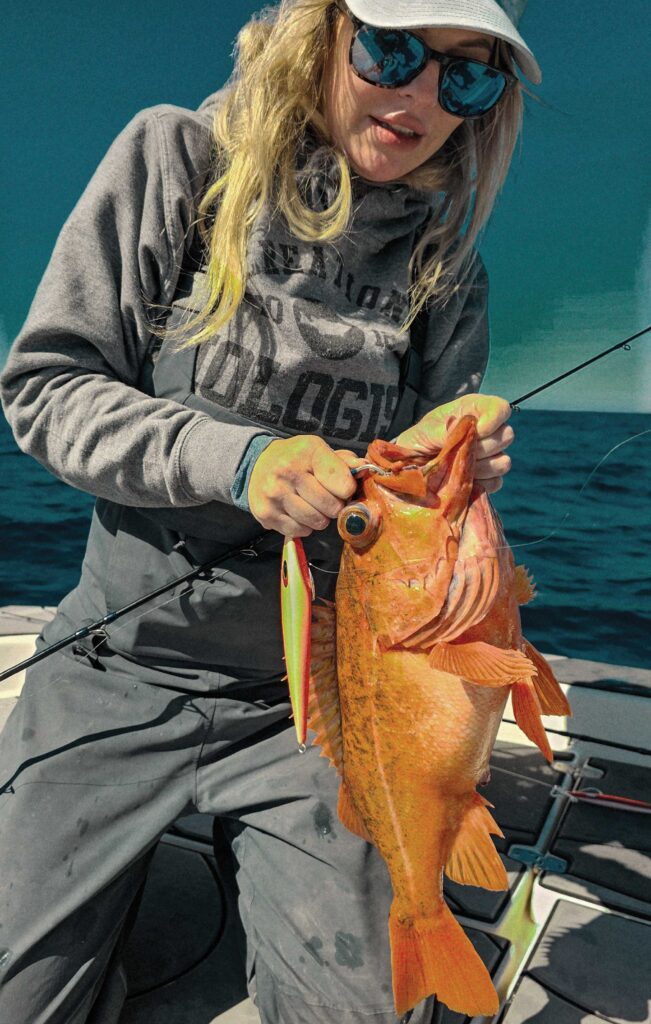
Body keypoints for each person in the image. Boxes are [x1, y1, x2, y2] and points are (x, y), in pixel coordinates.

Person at [0, 0, 540, 1021]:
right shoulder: (176, 160)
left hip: (315, 713)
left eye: (467, 75)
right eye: (393, 49)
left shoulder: (445, 271)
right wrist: (238, 460)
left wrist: (466, 468)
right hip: (117, 674)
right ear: (325, 34)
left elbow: (431, 532)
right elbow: (45, 387)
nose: (422, 94)